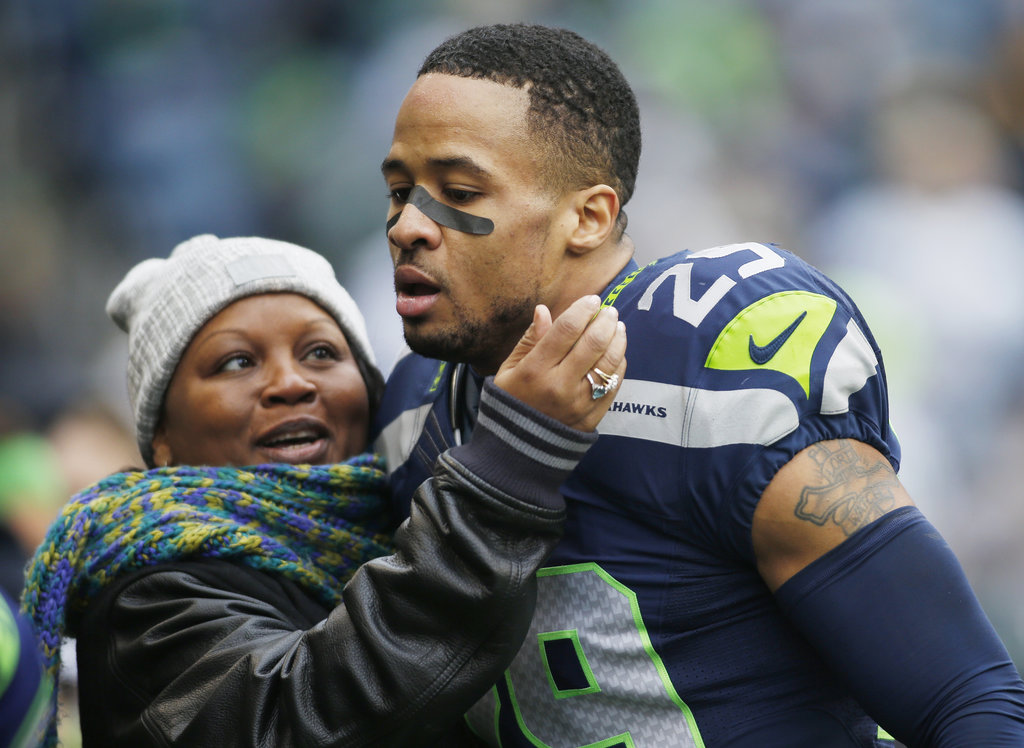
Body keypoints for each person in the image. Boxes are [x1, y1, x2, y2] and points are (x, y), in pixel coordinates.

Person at [372, 23, 1024, 747]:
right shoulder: (410, 407)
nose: (407, 225)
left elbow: (967, 696)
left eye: (458, 190)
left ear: (588, 217)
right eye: (399, 191)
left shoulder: (710, 361)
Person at [20, 233, 626, 747]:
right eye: (235, 363)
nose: (289, 383)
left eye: (320, 352)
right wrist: (509, 468)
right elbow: (295, 716)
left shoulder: (406, 515)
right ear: (162, 443)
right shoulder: (146, 594)